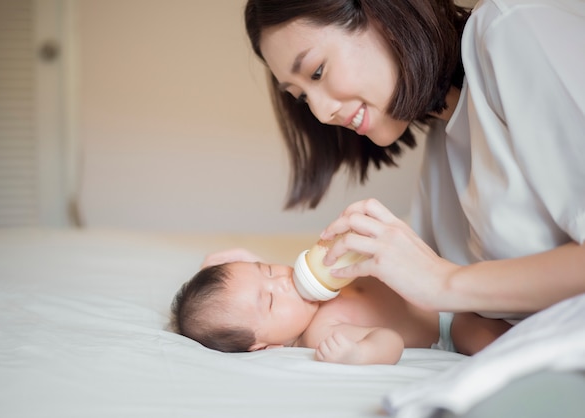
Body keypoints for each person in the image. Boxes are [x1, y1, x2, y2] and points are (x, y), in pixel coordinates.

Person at [235, 0, 585, 320]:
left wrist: (446, 283)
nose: (322, 113)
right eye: (302, 98)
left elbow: (439, 285)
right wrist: (262, 283)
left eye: (316, 72)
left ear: (380, 14)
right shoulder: (443, 157)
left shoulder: (510, 29)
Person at [171, 260, 512, 365]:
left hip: (445, 279)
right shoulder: (320, 332)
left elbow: (230, 263)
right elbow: (389, 341)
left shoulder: (309, 279)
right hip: (447, 324)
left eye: (267, 268)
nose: (282, 282)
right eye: (270, 301)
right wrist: (360, 353)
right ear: (265, 346)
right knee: (496, 341)